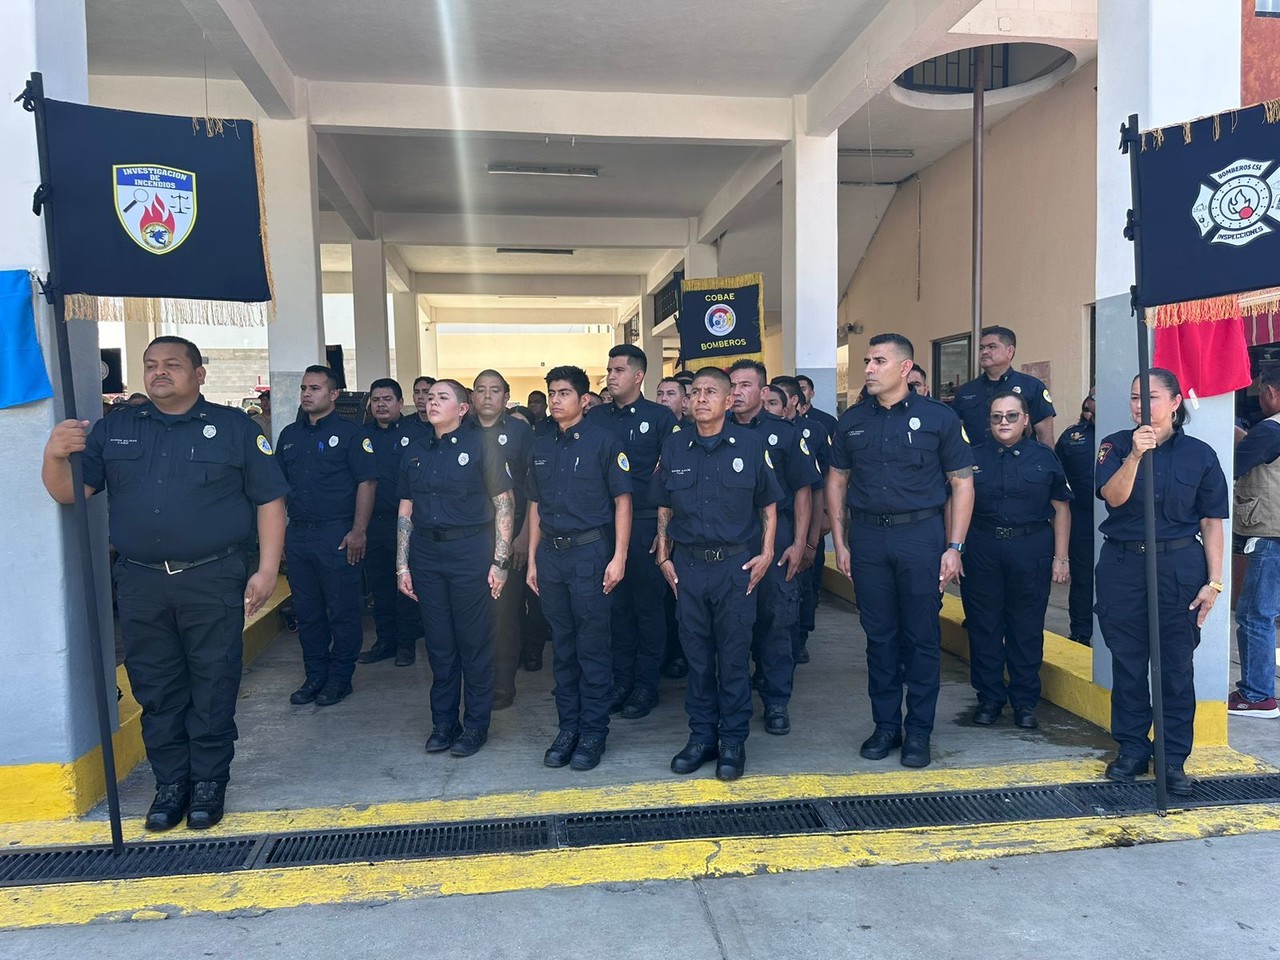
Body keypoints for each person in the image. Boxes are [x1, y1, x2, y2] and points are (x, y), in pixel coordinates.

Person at [42, 336, 288, 831]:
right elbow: (70, 491)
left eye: (172, 365)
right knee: (156, 688)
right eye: (151, 365)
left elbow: (270, 502)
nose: (159, 372)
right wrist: (53, 454)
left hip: (212, 578)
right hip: (141, 583)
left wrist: (266, 570)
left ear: (199, 373)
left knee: (213, 683)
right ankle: (170, 784)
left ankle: (208, 784)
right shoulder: (116, 430)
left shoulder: (235, 428)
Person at [828, 334, 974, 769]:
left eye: (878, 361)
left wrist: (954, 547)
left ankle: (920, 732)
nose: (869, 368)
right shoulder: (851, 422)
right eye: (867, 361)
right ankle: (886, 726)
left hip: (921, 537)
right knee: (880, 638)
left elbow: (962, 483)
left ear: (905, 369)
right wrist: (840, 542)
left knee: (922, 638)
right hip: (870, 538)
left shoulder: (940, 419)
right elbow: (836, 481)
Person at [1095, 369, 1228, 796]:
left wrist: (1214, 582)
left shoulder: (1200, 455)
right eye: (1135, 398)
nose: (1140, 406)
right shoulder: (1114, 445)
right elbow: (1112, 498)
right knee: (1129, 662)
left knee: (1174, 667)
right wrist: (1134, 456)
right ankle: (1132, 748)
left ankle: (1171, 758)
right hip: (1123, 565)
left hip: (1178, 567)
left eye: (1150, 397)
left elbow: (1211, 522)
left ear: (1175, 402)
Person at [655, 367, 781, 780]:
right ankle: (701, 736)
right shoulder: (674, 446)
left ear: (729, 401)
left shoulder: (751, 443)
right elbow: (665, 506)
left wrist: (765, 553)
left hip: (734, 566)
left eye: (711, 392)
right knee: (697, 656)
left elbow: (767, 505)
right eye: (695, 392)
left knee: (731, 656)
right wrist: (663, 555)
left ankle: (733, 740)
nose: (701, 398)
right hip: (688, 565)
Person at [396, 379, 515, 758]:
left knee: (473, 642)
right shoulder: (415, 450)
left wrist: (500, 561)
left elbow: (505, 503)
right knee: (440, 644)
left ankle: (476, 724)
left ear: (462, 409)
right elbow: (406, 509)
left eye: (442, 397)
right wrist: (402, 564)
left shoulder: (481, 446)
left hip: (470, 552)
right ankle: (444, 722)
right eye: (430, 397)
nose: (432, 402)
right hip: (428, 555)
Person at [527, 366, 632, 770]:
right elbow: (535, 506)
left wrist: (619, 556)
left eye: (564, 393)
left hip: (590, 553)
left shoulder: (604, 442)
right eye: (551, 392)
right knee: (564, 648)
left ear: (584, 400)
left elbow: (623, 501)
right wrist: (533, 557)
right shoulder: (540, 445)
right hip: (552, 557)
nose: (555, 399)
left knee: (592, 647)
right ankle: (567, 727)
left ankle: (593, 732)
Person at [962, 391, 1072, 729]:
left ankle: (1024, 702)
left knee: (1026, 628)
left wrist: (1061, 557)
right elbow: (957, 505)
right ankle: (989, 699)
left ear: (1025, 419)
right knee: (984, 627)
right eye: (997, 417)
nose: (1004, 422)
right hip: (982, 549)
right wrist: (955, 549)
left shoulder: (1044, 457)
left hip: (1031, 549)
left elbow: (1061, 508)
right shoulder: (972, 457)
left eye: (1011, 416)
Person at [729, 360, 821, 736]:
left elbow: (803, 491)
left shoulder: (784, 434)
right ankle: (733, 698)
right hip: (730, 537)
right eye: (732, 384)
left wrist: (801, 543)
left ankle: (776, 701)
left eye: (746, 385)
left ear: (764, 392)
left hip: (778, 534)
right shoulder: (710, 431)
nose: (737, 392)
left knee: (777, 621)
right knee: (733, 623)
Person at [277, 365, 377, 708]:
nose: (307, 393)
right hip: (300, 535)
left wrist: (358, 530)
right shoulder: (289, 435)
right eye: (304, 387)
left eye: (316, 388)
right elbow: (278, 490)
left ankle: (339, 678)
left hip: (337, 533)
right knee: (308, 611)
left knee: (342, 610)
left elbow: (367, 482)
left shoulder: (351, 434)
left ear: (333, 395)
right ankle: (315, 675)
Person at [587, 344, 677, 719]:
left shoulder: (660, 419)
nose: (611, 376)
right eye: (609, 369)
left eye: (620, 370)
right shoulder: (595, 420)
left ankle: (645, 685)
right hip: (604, 525)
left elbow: (670, 479)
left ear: (638, 376)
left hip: (644, 524)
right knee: (615, 609)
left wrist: (664, 533)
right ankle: (621, 681)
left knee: (647, 608)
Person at [471, 369, 534, 709]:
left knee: (504, 613)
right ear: (472, 396)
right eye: (481, 390)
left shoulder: (521, 433)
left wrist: (523, 536)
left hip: (510, 535)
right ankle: (477, 681)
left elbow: (533, 487)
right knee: (474, 614)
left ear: (506, 397)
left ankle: (502, 685)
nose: (488, 396)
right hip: (469, 538)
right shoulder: (461, 431)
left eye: (495, 390)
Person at [357, 378, 427, 668]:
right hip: (373, 524)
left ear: (400, 403)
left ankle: (406, 643)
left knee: (406, 585)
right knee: (380, 586)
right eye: (376, 400)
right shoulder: (360, 436)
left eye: (387, 399)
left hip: (407, 525)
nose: (381, 404)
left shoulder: (419, 434)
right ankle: (385, 640)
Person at [1228, 366, 1280, 718]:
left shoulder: (1269, 430)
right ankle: (1257, 688)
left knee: (1255, 615)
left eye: (1262, 392)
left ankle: (1258, 693)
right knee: (1261, 612)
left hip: (1267, 534)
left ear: (1271, 392)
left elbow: (1233, 463)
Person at [773, 375, 830, 666]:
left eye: (777, 399)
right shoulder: (758, 432)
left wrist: (820, 525)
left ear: (794, 400)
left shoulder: (814, 431)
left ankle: (800, 639)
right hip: (771, 524)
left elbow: (820, 482)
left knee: (803, 585)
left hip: (801, 522)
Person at [953, 326, 1056, 445]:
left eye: (992, 347)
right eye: (982, 348)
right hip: (977, 460)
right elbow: (955, 433)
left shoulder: (1032, 387)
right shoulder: (966, 390)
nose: (984, 352)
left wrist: (1049, 462)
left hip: (1020, 461)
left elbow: (1045, 436)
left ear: (1010, 351)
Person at [656, 373, 691, 678]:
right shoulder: (658, 432)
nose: (664, 399)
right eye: (660, 393)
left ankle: (681, 655)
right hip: (662, 534)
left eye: (670, 394)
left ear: (685, 400)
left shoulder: (696, 433)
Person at [1055, 390, 1097, 644]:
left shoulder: (1130, 435)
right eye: (1094, 395)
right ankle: (1081, 633)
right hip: (1081, 517)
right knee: (1083, 579)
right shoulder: (1073, 437)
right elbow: (1057, 479)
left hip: (1121, 520)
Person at [796, 374, 837, 439]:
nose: (799, 393)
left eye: (803, 389)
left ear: (812, 394)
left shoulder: (828, 421)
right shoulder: (787, 420)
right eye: (796, 390)